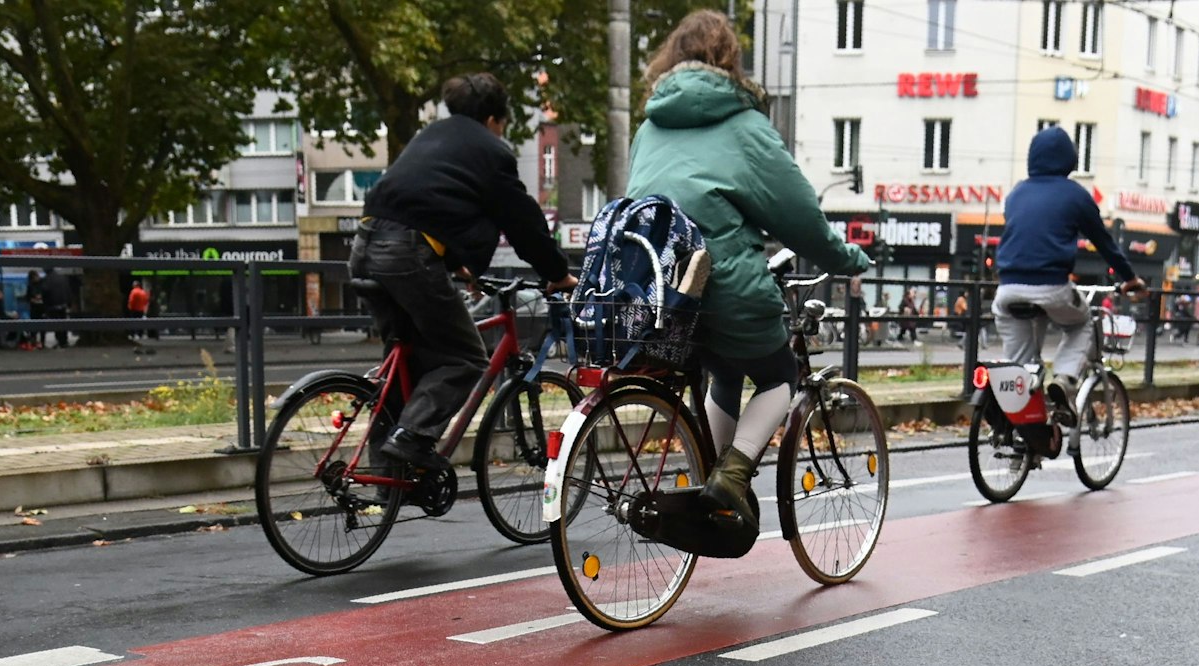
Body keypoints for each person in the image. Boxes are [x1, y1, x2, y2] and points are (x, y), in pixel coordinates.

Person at [626, 9, 871, 532]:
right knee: (779, 373)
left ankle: (710, 487)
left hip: (659, 290)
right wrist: (847, 260)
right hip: (720, 281)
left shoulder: (650, 125)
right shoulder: (745, 124)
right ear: (730, 58)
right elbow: (799, 217)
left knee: (724, 368)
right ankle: (730, 478)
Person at [352, 71, 576, 472]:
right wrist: (557, 272)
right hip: (406, 254)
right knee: (465, 357)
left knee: (408, 361)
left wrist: (456, 265)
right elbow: (522, 221)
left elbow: (428, 203)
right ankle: (412, 437)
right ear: (493, 119)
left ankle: (382, 476)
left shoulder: (430, 137)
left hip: (366, 244)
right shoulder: (491, 151)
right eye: (504, 124)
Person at [991, 125, 1146, 421]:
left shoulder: (1016, 195)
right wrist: (1130, 278)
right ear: (1070, 160)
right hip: (1051, 287)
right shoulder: (1076, 196)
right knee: (1082, 324)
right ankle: (1064, 380)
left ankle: (1018, 438)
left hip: (1007, 289)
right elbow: (1105, 244)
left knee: (1021, 370)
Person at [37, 267, 74, 347]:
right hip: (63, 304)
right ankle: (64, 340)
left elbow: (44, 292)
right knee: (63, 323)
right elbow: (68, 290)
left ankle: (60, 340)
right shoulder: (63, 278)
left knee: (56, 324)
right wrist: (69, 303)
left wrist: (45, 305)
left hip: (52, 305)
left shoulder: (46, 280)